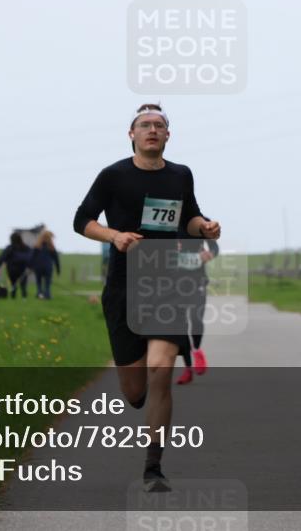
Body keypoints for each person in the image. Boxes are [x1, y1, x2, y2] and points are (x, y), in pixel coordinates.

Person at [73, 103, 220, 493]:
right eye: (145, 125)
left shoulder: (180, 175)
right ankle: (138, 401)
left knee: (161, 370)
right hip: (123, 286)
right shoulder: (114, 176)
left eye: (159, 125)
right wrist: (114, 236)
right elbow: (81, 220)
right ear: (132, 134)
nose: (152, 130)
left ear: (168, 135)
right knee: (135, 390)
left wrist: (203, 226)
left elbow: (188, 216)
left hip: (167, 280)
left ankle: (153, 467)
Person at [175, 237, 219, 385]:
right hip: (175, 282)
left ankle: (197, 350)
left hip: (198, 280)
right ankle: (188, 368)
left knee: (196, 318)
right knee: (181, 325)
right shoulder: (169, 221)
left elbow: (214, 247)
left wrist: (210, 254)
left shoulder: (200, 222)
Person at [0, 232, 32, 300]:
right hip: (23, 269)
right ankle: (24, 298)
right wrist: (31, 267)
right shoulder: (26, 248)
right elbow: (31, 258)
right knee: (23, 284)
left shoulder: (10, 248)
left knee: (13, 284)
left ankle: (13, 297)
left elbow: (2, 257)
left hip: (12, 269)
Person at [30, 230, 61, 299]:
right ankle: (47, 295)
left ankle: (39, 294)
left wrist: (30, 266)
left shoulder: (37, 247)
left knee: (39, 282)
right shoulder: (51, 248)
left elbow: (32, 257)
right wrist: (58, 269)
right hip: (48, 267)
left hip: (38, 267)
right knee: (47, 282)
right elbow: (56, 259)